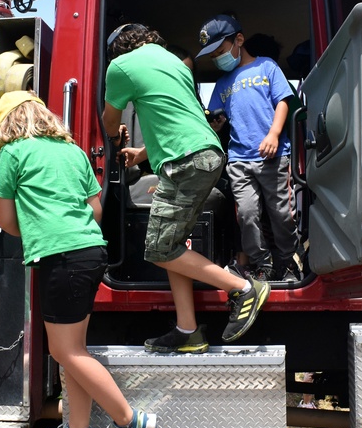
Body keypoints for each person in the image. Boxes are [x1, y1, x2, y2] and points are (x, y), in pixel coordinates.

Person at [0, 91, 157, 428]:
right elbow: (95, 210)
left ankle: (130, 422)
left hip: (59, 257)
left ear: (6, 124)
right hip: (91, 253)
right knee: (73, 350)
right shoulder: (74, 152)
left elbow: (5, 220)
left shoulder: (12, 153)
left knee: (64, 350)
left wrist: (39, 227)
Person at [102, 23, 270, 352]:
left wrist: (115, 135)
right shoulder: (172, 63)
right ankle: (187, 329)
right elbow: (180, 117)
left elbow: (110, 122)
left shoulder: (120, 66)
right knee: (174, 245)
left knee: (160, 249)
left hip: (185, 162)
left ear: (118, 48)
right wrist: (143, 153)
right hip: (205, 154)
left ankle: (242, 288)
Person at [197, 14, 300, 282]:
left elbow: (283, 102)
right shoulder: (222, 83)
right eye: (213, 56)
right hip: (239, 160)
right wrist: (216, 126)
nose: (218, 58)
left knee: (281, 214)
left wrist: (274, 134)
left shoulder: (267, 67)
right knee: (247, 214)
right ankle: (261, 265)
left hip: (273, 156)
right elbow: (218, 119)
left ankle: (288, 262)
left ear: (239, 41)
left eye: (220, 52)